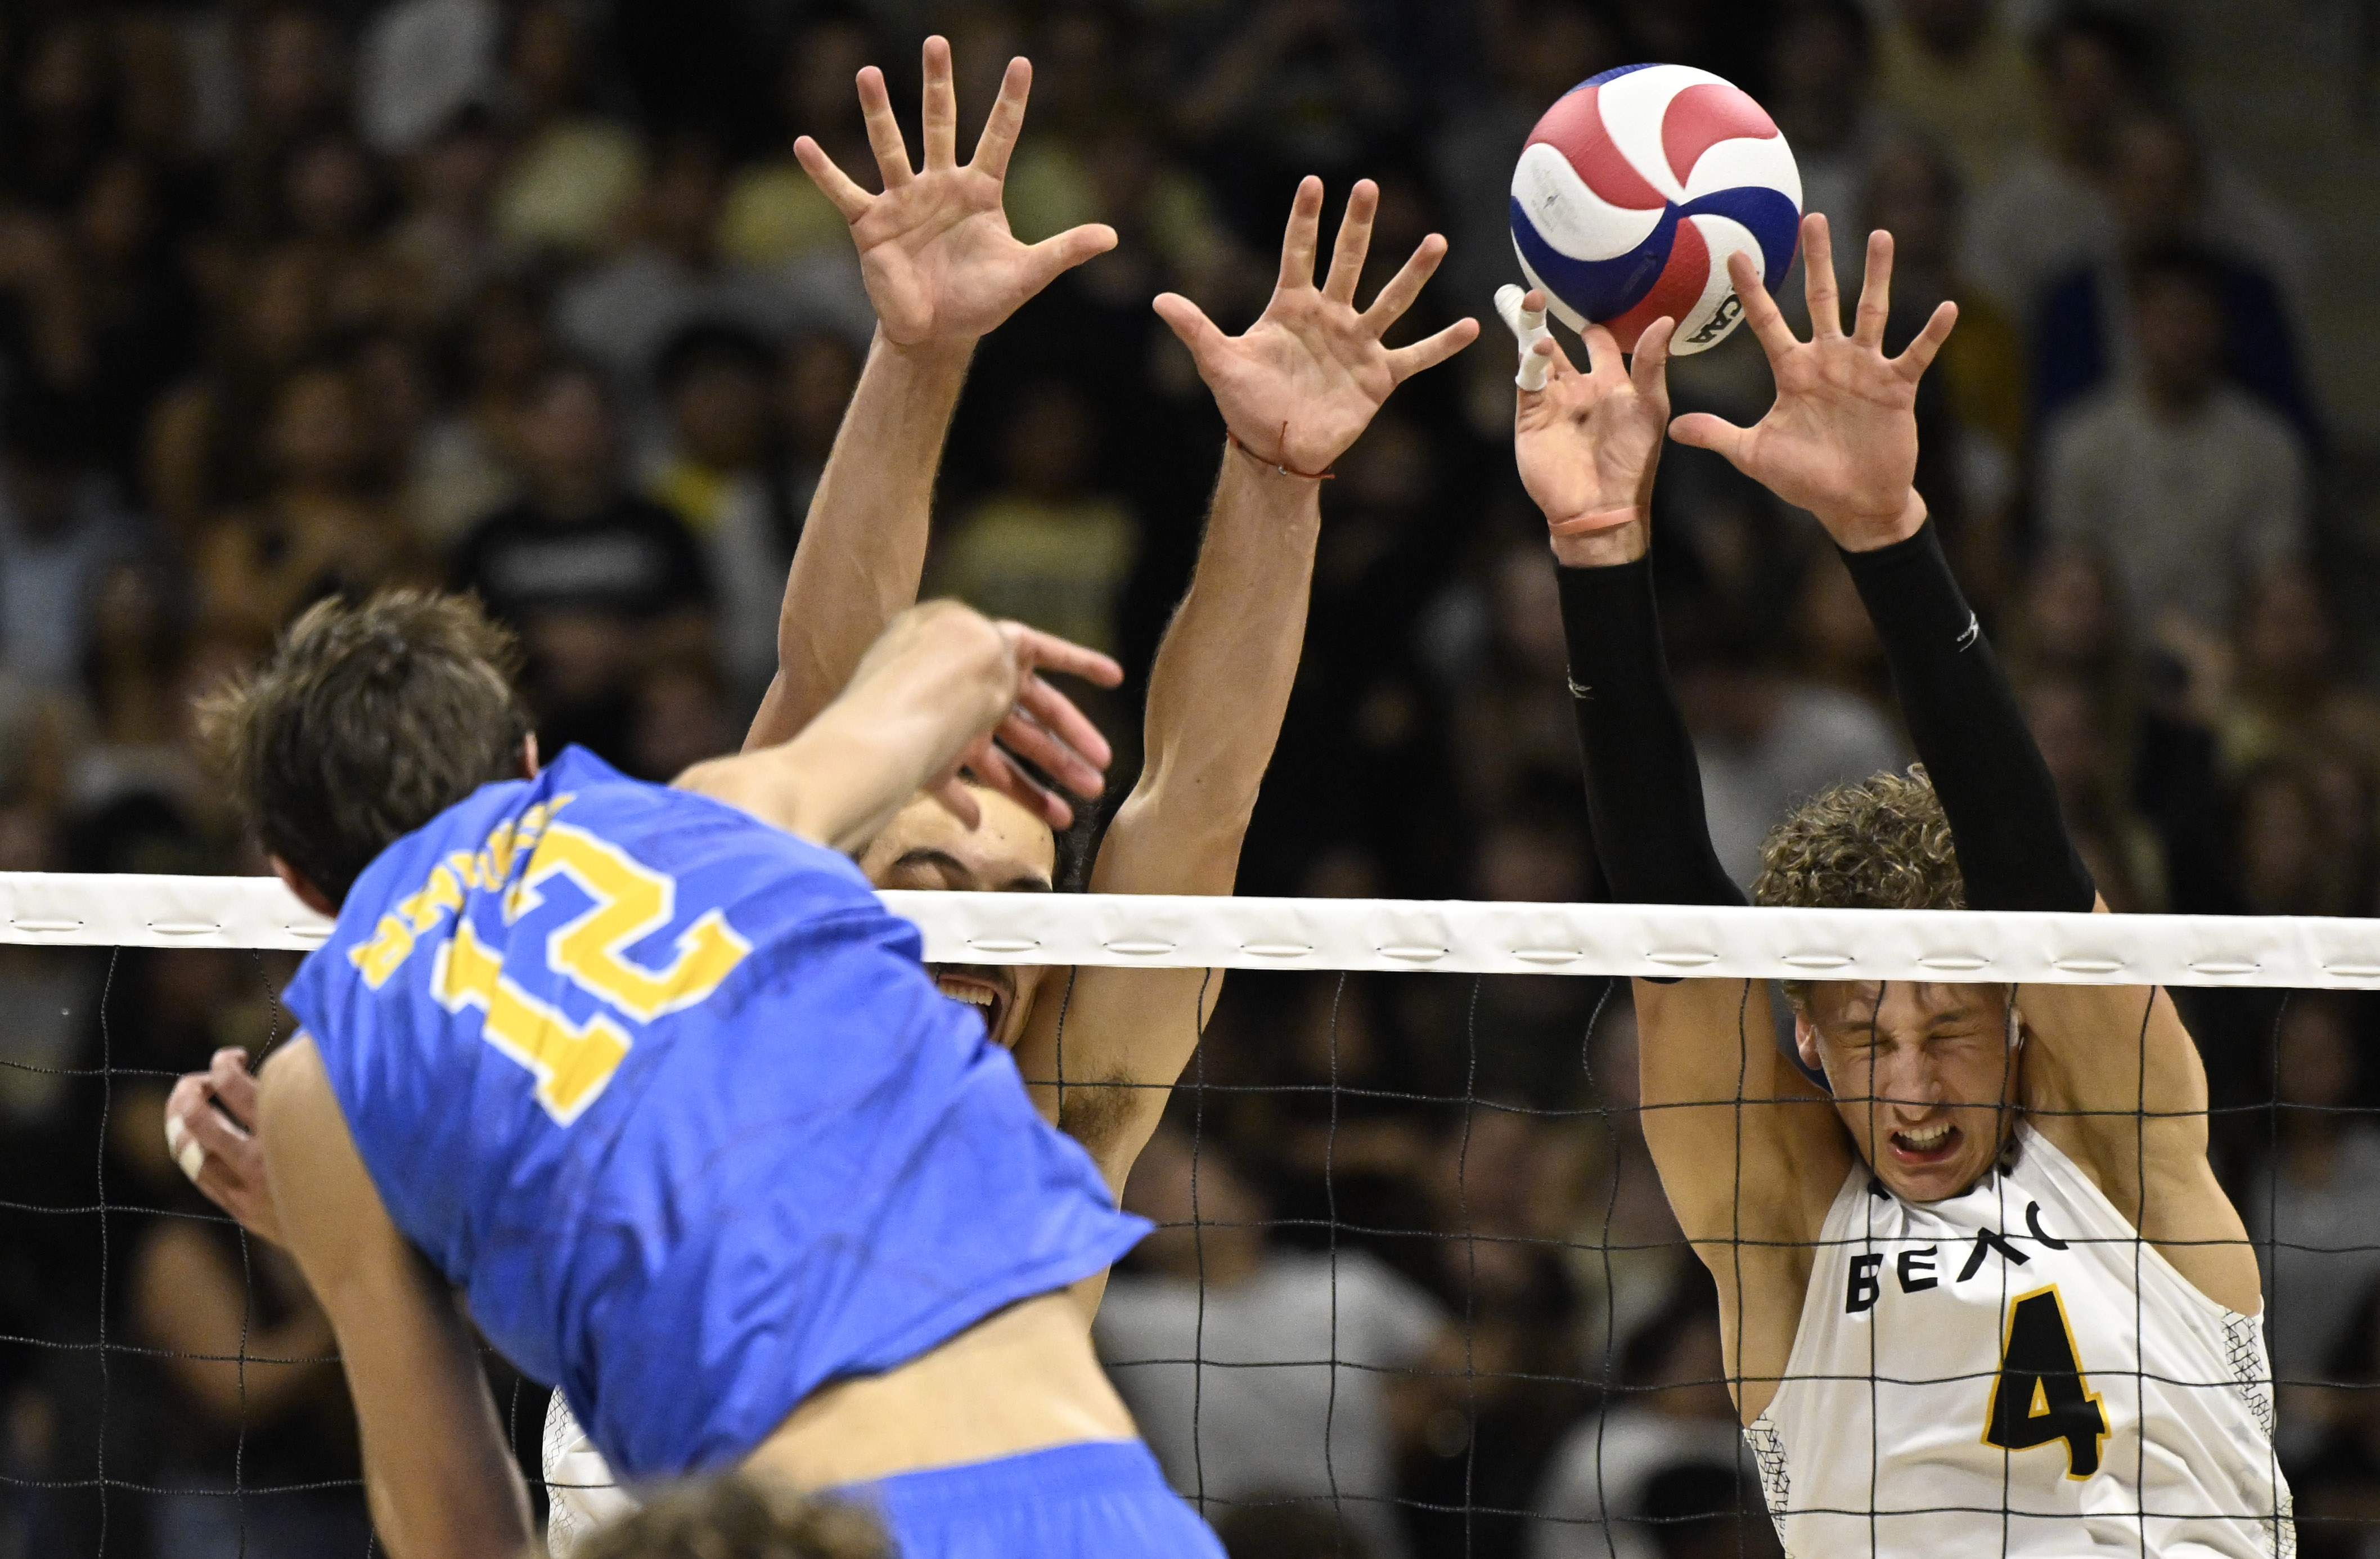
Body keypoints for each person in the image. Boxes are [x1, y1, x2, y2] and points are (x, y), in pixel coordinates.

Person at [167, 32, 1477, 1551]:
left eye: (1020, 905)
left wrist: (1276, 477)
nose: (982, 939)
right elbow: (829, 679)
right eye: (929, 889)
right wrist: (367, 1232)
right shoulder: (678, 1012)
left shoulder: (1053, 1111)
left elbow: (1198, 794)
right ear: (804, 909)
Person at [1502, 214, 2291, 1554]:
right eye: (1868, 1037)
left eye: (1948, 1028)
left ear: (2019, 1016)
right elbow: (1676, 938)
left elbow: (2034, 879)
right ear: (1807, 1037)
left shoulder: (2124, 1156)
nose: (1914, 1087)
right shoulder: (1788, 1230)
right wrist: (1596, 549)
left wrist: (1885, 532)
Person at [199, 584, 1180, 1559]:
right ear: (528, 762)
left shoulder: (323, 1084)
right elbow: (957, 648)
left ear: (296, 879)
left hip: (830, 1531)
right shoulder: (725, 815)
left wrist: (342, 1235)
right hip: (1106, 1501)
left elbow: (461, 1536)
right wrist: (976, 675)